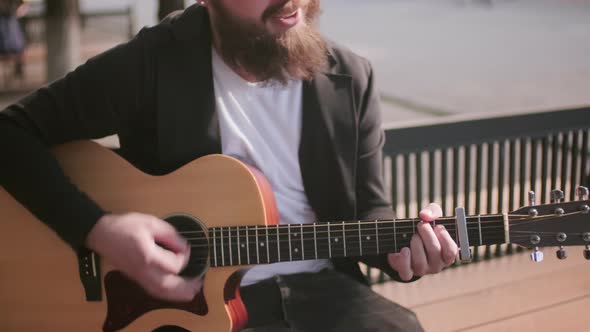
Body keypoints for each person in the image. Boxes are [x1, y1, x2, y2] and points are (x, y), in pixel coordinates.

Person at [0, 1, 458, 331]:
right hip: (183, 306)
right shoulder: (153, 61)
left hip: (323, 292)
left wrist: (408, 253)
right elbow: (10, 133)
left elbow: (369, 217)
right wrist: (97, 230)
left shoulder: (350, 77)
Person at [0, 0, 27, 78]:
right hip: (4, 24)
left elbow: (23, 7)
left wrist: (17, 13)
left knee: (18, 46)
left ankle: (18, 70)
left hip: (11, 23)